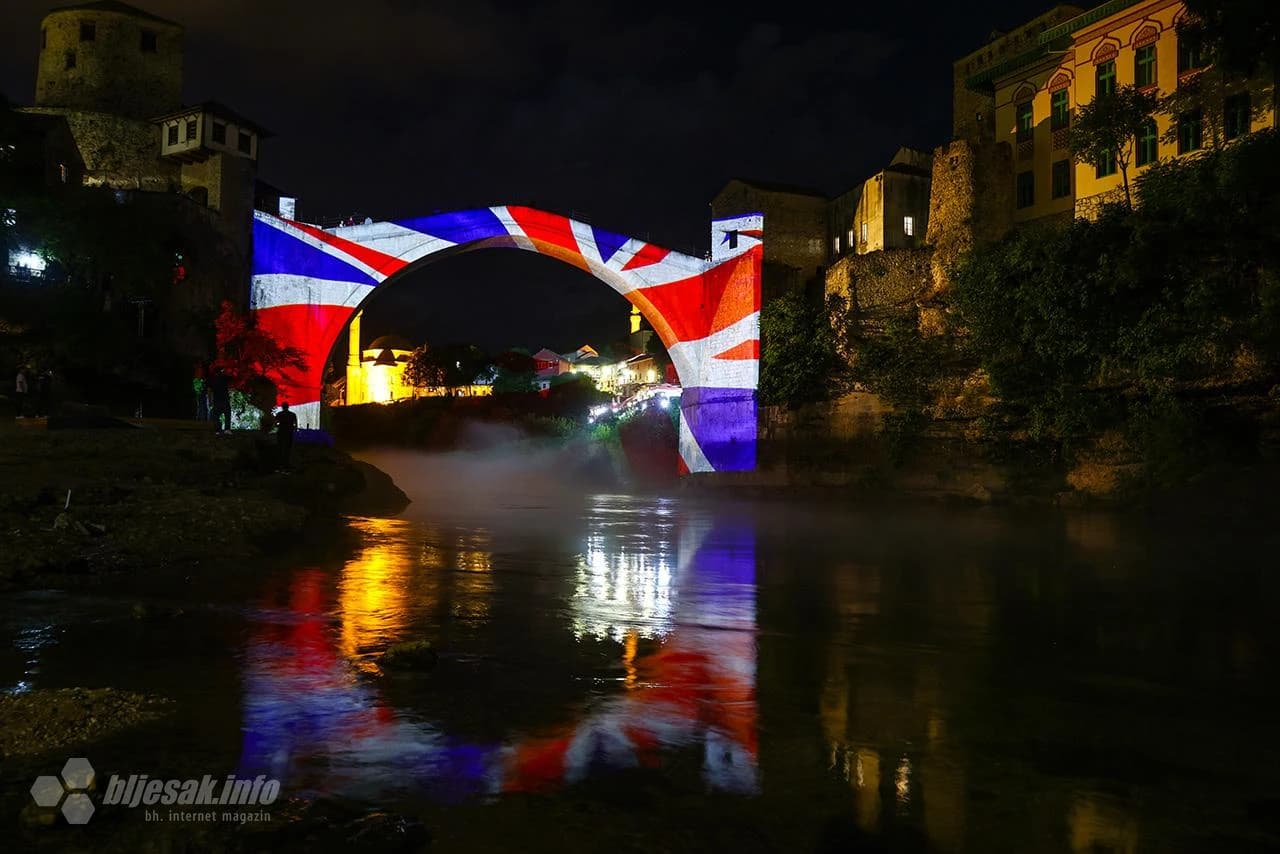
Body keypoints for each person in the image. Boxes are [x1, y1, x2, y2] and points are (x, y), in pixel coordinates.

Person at [275, 401, 298, 469]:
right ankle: (287, 463)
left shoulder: (279, 414)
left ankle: (280, 464)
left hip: (281, 432)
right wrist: (294, 430)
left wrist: (280, 426)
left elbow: (275, 424)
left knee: (280, 448)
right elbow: (296, 425)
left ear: (282, 407)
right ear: (288, 407)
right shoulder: (292, 414)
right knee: (288, 449)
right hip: (289, 433)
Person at [208, 366, 231, 434]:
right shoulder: (224, 378)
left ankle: (217, 430)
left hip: (216, 400)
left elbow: (209, 391)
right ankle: (227, 429)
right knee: (227, 414)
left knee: (216, 415)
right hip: (224, 400)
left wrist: (210, 401)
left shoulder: (212, 379)